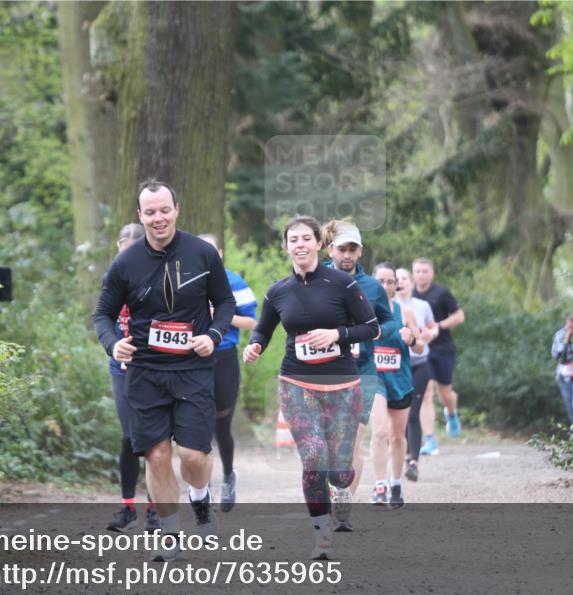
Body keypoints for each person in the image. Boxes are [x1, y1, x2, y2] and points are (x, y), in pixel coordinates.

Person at [93, 180, 236, 562]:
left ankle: (201, 497)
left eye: (164, 210)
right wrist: (113, 344)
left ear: (177, 210)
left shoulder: (202, 253)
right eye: (150, 212)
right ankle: (170, 534)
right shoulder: (126, 263)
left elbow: (224, 303)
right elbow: (102, 314)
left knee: (192, 456)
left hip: (192, 369)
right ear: (140, 216)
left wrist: (214, 335)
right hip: (145, 371)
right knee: (156, 456)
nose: (158, 218)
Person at [243, 215, 379, 559]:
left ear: (319, 244)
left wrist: (337, 334)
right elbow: (263, 329)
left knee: (340, 471)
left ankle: (341, 488)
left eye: (306, 238)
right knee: (314, 456)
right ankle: (322, 537)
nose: (300, 245)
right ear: (286, 247)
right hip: (296, 383)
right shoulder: (277, 291)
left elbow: (371, 327)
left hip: (343, 383)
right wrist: (255, 345)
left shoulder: (342, 284)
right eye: (293, 240)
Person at [321, 220, 400, 531]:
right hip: (325, 368)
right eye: (342, 249)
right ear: (331, 250)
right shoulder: (316, 279)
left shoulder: (373, 287)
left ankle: (343, 509)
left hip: (362, 370)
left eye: (352, 249)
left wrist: (377, 332)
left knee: (354, 439)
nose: (347, 255)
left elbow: (390, 322)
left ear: (360, 252)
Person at [106, 224, 161, 533]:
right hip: (122, 366)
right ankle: (127, 507)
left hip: (154, 366)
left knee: (154, 437)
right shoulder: (112, 279)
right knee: (129, 435)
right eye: (121, 252)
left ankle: (154, 509)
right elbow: (104, 319)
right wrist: (116, 346)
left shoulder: (158, 278)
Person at [198, 233, 257, 512]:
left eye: (211, 251)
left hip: (224, 357)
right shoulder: (187, 282)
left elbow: (252, 322)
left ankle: (228, 476)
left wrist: (222, 314)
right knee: (200, 426)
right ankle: (203, 488)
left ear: (220, 253)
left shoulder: (233, 281)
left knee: (221, 426)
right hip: (194, 359)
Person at [368, 262, 423, 509]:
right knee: (380, 430)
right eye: (380, 281)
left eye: (390, 282)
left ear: (395, 285)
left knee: (398, 436)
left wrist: (411, 340)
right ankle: (380, 485)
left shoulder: (405, 313)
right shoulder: (363, 311)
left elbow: (420, 347)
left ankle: (395, 483)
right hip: (374, 378)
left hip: (400, 380)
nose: (385, 286)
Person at [412, 258, 465, 455]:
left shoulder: (441, 293)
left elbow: (459, 316)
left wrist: (438, 326)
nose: (421, 275)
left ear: (432, 273)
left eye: (424, 271)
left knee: (445, 394)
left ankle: (451, 412)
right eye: (417, 271)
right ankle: (430, 439)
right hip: (421, 350)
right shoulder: (410, 295)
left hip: (443, 348)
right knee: (425, 392)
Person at [394, 267, 437, 482]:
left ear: (410, 283)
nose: (400, 282)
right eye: (396, 279)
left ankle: (413, 462)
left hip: (420, 364)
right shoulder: (386, 306)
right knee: (400, 414)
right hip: (397, 366)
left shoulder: (422, 306)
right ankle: (405, 453)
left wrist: (430, 333)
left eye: (404, 278)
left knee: (413, 413)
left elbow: (433, 327)